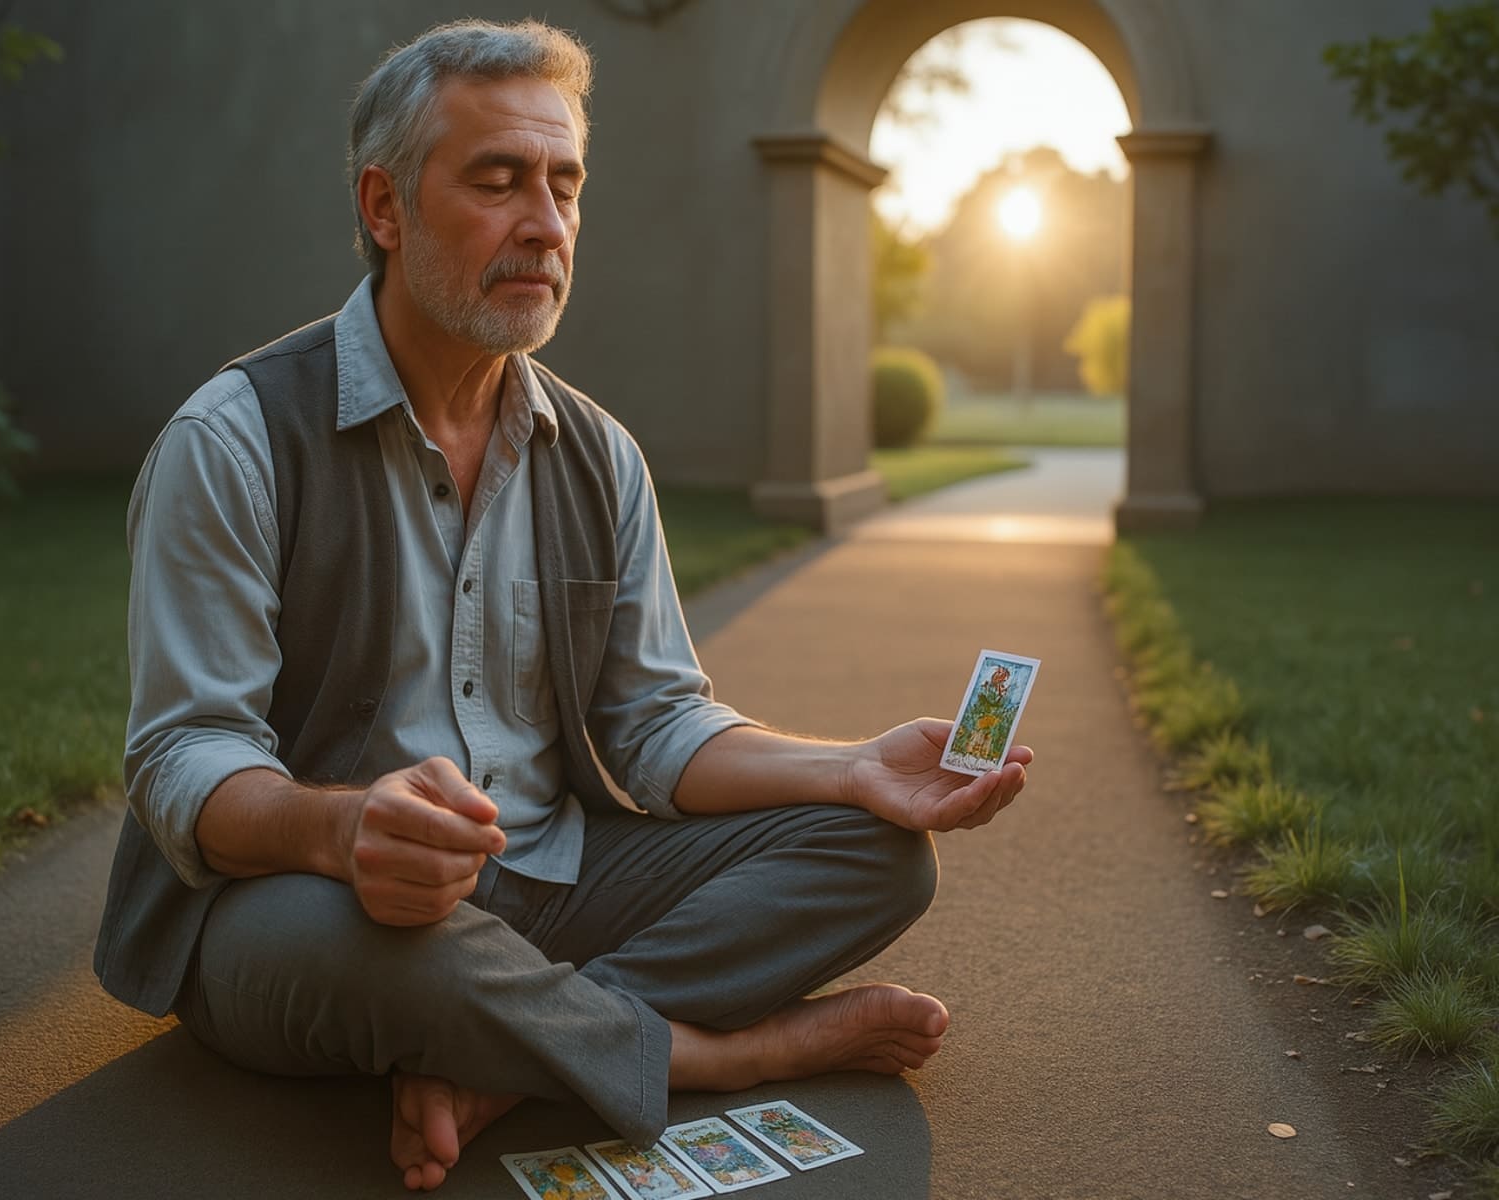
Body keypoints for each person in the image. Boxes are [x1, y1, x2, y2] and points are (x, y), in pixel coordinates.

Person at [93, 18, 1033, 1193]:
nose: (544, 224)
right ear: (384, 208)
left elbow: (653, 727)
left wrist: (850, 769)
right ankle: (721, 1053)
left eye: (565, 185)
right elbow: (184, 756)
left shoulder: (600, 456)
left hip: (556, 883)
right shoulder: (232, 442)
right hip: (322, 907)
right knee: (386, 959)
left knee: (884, 858)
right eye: (496, 182)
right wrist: (342, 832)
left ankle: (512, 1053)